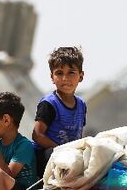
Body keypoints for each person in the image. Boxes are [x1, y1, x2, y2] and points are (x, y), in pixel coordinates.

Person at [32, 46, 87, 174]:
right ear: (52, 77)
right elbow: (37, 135)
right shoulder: (49, 103)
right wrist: (61, 150)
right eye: (59, 73)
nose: (65, 79)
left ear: (81, 76)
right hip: (47, 156)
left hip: (70, 155)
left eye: (71, 72)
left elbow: (78, 134)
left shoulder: (81, 104)